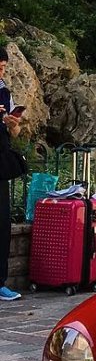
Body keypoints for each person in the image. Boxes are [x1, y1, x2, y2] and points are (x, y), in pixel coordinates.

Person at [0, 46, 21, 301]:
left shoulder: (5, 92)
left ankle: (1, 281)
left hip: (1, 160)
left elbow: (15, 134)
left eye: (3, 68)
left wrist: (12, 124)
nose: (1, 72)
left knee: (2, 223)